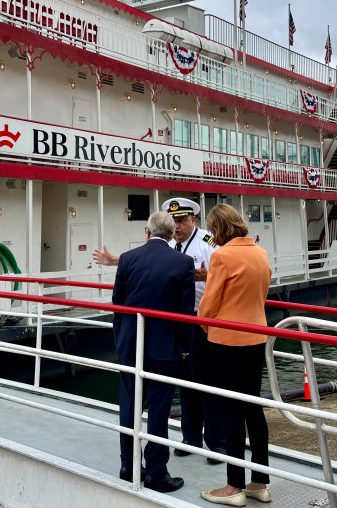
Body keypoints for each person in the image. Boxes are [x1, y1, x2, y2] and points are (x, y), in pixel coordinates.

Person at [113, 210, 194, 494]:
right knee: (159, 409)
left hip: (130, 343)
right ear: (171, 236)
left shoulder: (127, 258)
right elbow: (185, 313)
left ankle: (128, 465)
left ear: (147, 233)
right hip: (165, 347)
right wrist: (185, 348)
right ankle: (156, 471)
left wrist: (120, 340)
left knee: (129, 405)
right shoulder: (183, 263)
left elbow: (118, 305)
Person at [198, 204, 272, 507]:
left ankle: (233, 486)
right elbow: (263, 294)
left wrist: (204, 325)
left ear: (219, 229)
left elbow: (209, 303)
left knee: (230, 410)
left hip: (226, 341)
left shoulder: (222, 256)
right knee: (253, 408)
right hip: (256, 336)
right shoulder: (260, 253)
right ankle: (259, 483)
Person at [156, 197, 226, 462]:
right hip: (179, 323)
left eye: (182, 220)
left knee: (209, 382)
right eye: (173, 221)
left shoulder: (208, 242)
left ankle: (217, 443)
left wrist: (206, 275)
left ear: (193, 220)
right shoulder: (169, 246)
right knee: (185, 382)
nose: (177, 226)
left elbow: (225, 270)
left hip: (203, 322)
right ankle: (190, 437)